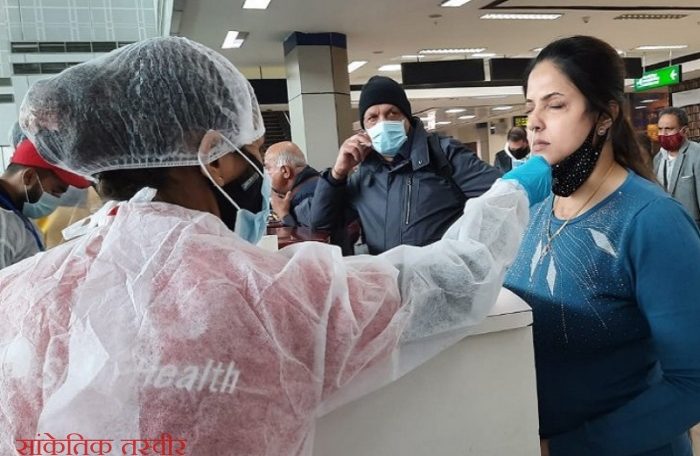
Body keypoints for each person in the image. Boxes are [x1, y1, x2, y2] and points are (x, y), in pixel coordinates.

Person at [0, 37, 552, 455]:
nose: (260, 173)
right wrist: (514, 192)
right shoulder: (266, 295)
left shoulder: (19, 293)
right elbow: (455, 280)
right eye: (250, 151)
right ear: (214, 156)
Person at [504, 36, 700, 456]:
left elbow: (692, 384)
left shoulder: (652, 221)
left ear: (606, 115)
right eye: (529, 107)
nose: (533, 122)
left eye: (554, 105)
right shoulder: (535, 208)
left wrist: (564, 448)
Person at [310, 75, 502, 255]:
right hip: (387, 282)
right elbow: (320, 224)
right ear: (364, 128)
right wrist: (338, 174)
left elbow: (502, 198)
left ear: (407, 118)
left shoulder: (443, 154)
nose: (383, 122)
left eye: (392, 113)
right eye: (373, 117)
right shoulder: (364, 175)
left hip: (442, 282)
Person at [0, 137, 90, 268]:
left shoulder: (14, 216)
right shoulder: (3, 223)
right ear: (29, 177)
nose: (57, 200)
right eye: (55, 191)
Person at [653, 107, 700, 226]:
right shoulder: (657, 158)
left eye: (668, 129)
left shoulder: (696, 154)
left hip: (691, 228)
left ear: (684, 131)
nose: (663, 134)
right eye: (660, 129)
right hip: (666, 226)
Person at [264, 140, 319, 227]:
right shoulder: (315, 184)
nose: (265, 173)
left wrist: (283, 214)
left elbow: (310, 238)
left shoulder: (307, 198)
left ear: (285, 171)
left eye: (268, 168)